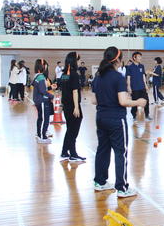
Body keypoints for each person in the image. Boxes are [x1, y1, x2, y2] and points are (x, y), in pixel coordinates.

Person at [91, 46, 147, 198]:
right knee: (120, 152)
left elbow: (93, 100)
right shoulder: (118, 77)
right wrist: (138, 102)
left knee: (102, 150)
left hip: (101, 118)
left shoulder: (98, 77)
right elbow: (123, 101)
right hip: (116, 120)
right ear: (118, 60)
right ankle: (122, 188)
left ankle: (100, 182)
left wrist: (107, 99)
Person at [60, 52, 86, 162]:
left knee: (70, 128)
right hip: (72, 105)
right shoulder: (74, 74)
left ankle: (64, 151)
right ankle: (73, 154)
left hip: (66, 105)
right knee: (73, 130)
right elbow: (75, 91)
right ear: (74, 61)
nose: (80, 62)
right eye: (79, 60)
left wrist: (62, 104)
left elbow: (63, 90)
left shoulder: (64, 74)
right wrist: (76, 107)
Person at [32, 59, 54, 144]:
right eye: (45, 65)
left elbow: (41, 89)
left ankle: (39, 134)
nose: (46, 67)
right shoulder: (41, 77)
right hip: (42, 101)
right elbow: (42, 91)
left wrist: (50, 88)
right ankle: (42, 136)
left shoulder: (37, 76)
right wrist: (51, 96)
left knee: (41, 118)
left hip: (39, 100)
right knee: (45, 118)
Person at [126, 52, 151, 121]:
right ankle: (134, 116)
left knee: (146, 101)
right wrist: (129, 87)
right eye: (139, 57)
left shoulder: (141, 66)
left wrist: (146, 85)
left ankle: (147, 115)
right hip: (134, 88)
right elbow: (128, 78)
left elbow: (143, 76)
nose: (140, 58)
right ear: (134, 57)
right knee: (134, 103)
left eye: (141, 57)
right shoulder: (129, 67)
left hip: (142, 87)